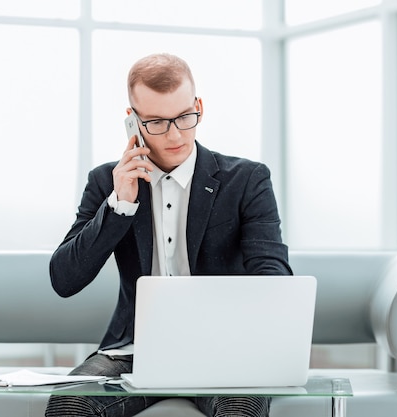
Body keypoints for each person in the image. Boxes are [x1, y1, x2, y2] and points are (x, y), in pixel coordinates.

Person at [45, 53, 292, 417]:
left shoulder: (247, 180)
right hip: (134, 352)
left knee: (241, 408)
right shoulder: (107, 182)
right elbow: (64, 279)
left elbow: (274, 277)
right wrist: (120, 205)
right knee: (69, 407)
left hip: (224, 353)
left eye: (184, 117)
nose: (176, 134)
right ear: (132, 122)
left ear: (199, 107)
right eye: (157, 122)